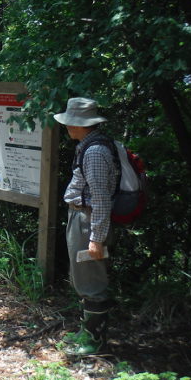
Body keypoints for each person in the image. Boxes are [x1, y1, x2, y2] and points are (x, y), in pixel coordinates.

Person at [54, 97, 118, 356]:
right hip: (82, 219)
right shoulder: (89, 146)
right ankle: (86, 333)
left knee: (91, 281)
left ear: (81, 125)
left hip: (88, 221)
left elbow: (101, 197)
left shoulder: (94, 151)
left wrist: (97, 238)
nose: (67, 126)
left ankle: (94, 343)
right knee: (83, 278)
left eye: (71, 122)